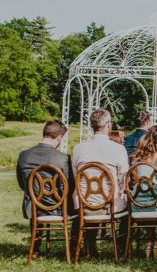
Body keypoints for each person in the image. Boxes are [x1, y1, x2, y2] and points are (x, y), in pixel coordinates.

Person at [71, 109, 130, 257]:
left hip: (84, 204)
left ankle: (88, 247)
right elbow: (124, 179)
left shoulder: (78, 149)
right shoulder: (118, 149)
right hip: (110, 205)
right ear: (109, 124)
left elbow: (76, 177)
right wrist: (123, 190)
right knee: (129, 204)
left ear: (91, 125)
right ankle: (121, 247)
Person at [16, 120, 76, 257]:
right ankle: (74, 248)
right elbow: (70, 186)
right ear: (59, 138)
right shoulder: (63, 158)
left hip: (33, 207)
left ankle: (35, 249)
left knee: (35, 201)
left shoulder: (23, 155)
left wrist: (36, 195)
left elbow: (22, 184)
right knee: (79, 208)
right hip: (59, 208)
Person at [127, 125, 157, 258]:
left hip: (137, 204)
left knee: (148, 196)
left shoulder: (139, 158)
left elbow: (135, 181)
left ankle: (149, 242)